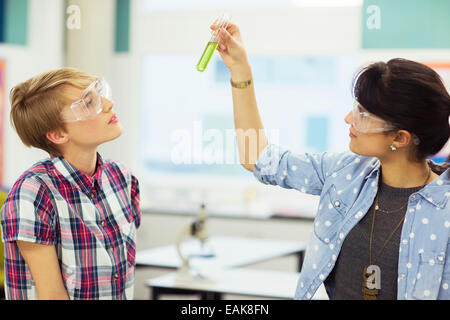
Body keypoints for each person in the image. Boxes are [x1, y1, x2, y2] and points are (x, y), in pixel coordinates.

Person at [213, 22, 450, 300]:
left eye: (363, 114)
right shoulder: (345, 173)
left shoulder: (443, 209)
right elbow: (257, 157)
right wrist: (240, 69)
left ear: (400, 137)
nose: (349, 119)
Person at [0, 68, 140, 300]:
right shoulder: (33, 193)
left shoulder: (123, 179)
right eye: (88, 103)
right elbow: (51, 295)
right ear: (57, 134)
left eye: (99, 94)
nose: (108, 104)